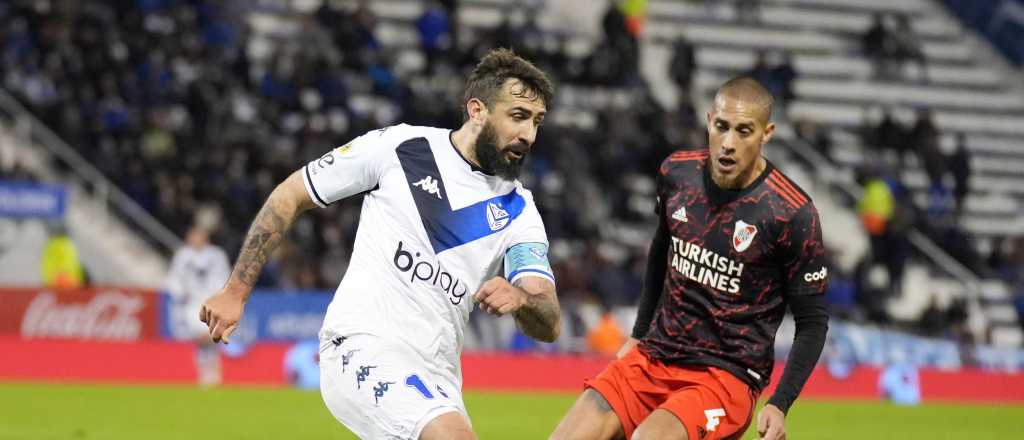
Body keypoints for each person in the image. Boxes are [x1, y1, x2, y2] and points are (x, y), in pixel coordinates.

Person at [200, 48, 560, 440]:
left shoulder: (520, 211)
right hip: (361, 346)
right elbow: (290, 195)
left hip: (439, 376)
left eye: (537, 122)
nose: (529, 135)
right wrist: (236, 290)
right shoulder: (402, 148)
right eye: (519, 117)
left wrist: (522, 300)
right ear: (477, 111)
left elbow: (550, 320)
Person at [551, 77, 829, 440]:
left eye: (744, 131)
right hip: (655, 355)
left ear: (767, 133)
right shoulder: (677, 174)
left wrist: (781, 401)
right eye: (722, 127)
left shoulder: (791, 212)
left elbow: (813, 321)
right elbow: (659, 254)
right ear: (709, 120)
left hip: (726, 375)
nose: (729, 143)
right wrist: (638, 333)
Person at [165, 226, 231, 386]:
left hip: (212, 303)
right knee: (201, 339)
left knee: (210, 338)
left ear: (204, 237)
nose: (195, 239)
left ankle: (213, 375)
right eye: (192, 236)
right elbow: (173, 278)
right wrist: (180, 293)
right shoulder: (182, 256)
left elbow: (226, 276)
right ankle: (205, 376)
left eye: (198, 236)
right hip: (192, 304)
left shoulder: (216, 255)